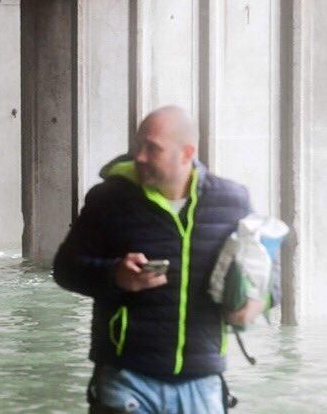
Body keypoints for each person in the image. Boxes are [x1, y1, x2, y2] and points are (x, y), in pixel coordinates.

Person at [51, 106, 252, 414]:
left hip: (204, 383)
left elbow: (266, 279)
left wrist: (253, 304)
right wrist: (115, 276)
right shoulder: (107, 199)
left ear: (186, 153)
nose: (140, 156)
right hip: (127, 379)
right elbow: (65, 269)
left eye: (152, 148)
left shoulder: (231, 202)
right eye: (138, 146)